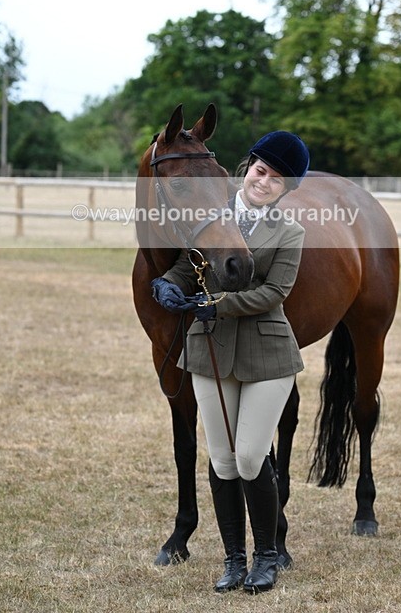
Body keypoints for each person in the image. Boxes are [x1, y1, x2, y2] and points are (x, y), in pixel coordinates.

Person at [151, 131, 309, 594]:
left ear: (286, 189)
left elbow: (274, 293)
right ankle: (233, 561)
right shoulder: (210, 216)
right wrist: (167, 282)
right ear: (248, 167)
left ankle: (266, 557)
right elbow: (188, 265)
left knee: (249, 455)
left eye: (277, 180)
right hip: (210, 350)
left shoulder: (291, 232)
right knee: (221, 460)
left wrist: (216, 304)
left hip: (267, 354)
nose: (264, 182)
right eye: (261, 170)